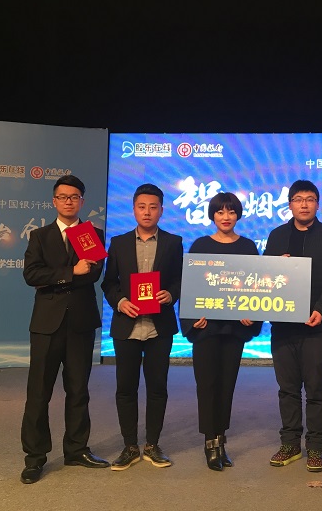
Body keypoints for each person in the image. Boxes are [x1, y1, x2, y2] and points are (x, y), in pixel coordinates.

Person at [20, 175, 109, 484]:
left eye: (74, 197)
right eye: (63, 196)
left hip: (80, 323)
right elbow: (31, 275)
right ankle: (35, 457)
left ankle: (76, 449)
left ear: (82, 201)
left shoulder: (92, 234)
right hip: (46, 324)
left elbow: (93, 274)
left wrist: (59, 276)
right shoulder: (40, 236)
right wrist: (71, 271)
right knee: (38, 393)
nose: (68, 201)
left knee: (78, 390)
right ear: (54, 201)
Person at [263, 180, 322, 473]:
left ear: (317, 204)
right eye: (298, 199)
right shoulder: (277, 236)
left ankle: (315, 447)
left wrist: (320, 310)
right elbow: (264, 276)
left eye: (310, 199)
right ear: (289, 204)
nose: (304, 204)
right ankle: (290, 443)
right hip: (283, 326)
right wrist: (277, 266)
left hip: (317, 326)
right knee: (287, 389)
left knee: (316, 388)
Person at [101, 184, 183, 471]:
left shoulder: (173, 242)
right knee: (126, 388)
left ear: (161, 210)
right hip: (127, 325)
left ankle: (152, 445)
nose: (147, 212)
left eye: (153, 207)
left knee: (157, 387)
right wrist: (120, 301)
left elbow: (180, 279)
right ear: (134, 209)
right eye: (142, 207)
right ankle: (129, 446)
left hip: (159, 327)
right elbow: (109, 283)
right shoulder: (119, 242)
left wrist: (171, 294)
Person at [180, 192, 263, 471]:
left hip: (234, 330)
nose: (226, 217)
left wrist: (253, 314)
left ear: (238, 215)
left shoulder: (248, 247)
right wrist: (192, 318)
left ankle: (221, 440)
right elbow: (189, 286)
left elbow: (257, 286)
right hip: (207, 329)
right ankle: (209, 442)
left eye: (231, 212)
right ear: (212, 216)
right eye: (220, 212)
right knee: (207, 385)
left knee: (227, 385)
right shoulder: (201, 245)